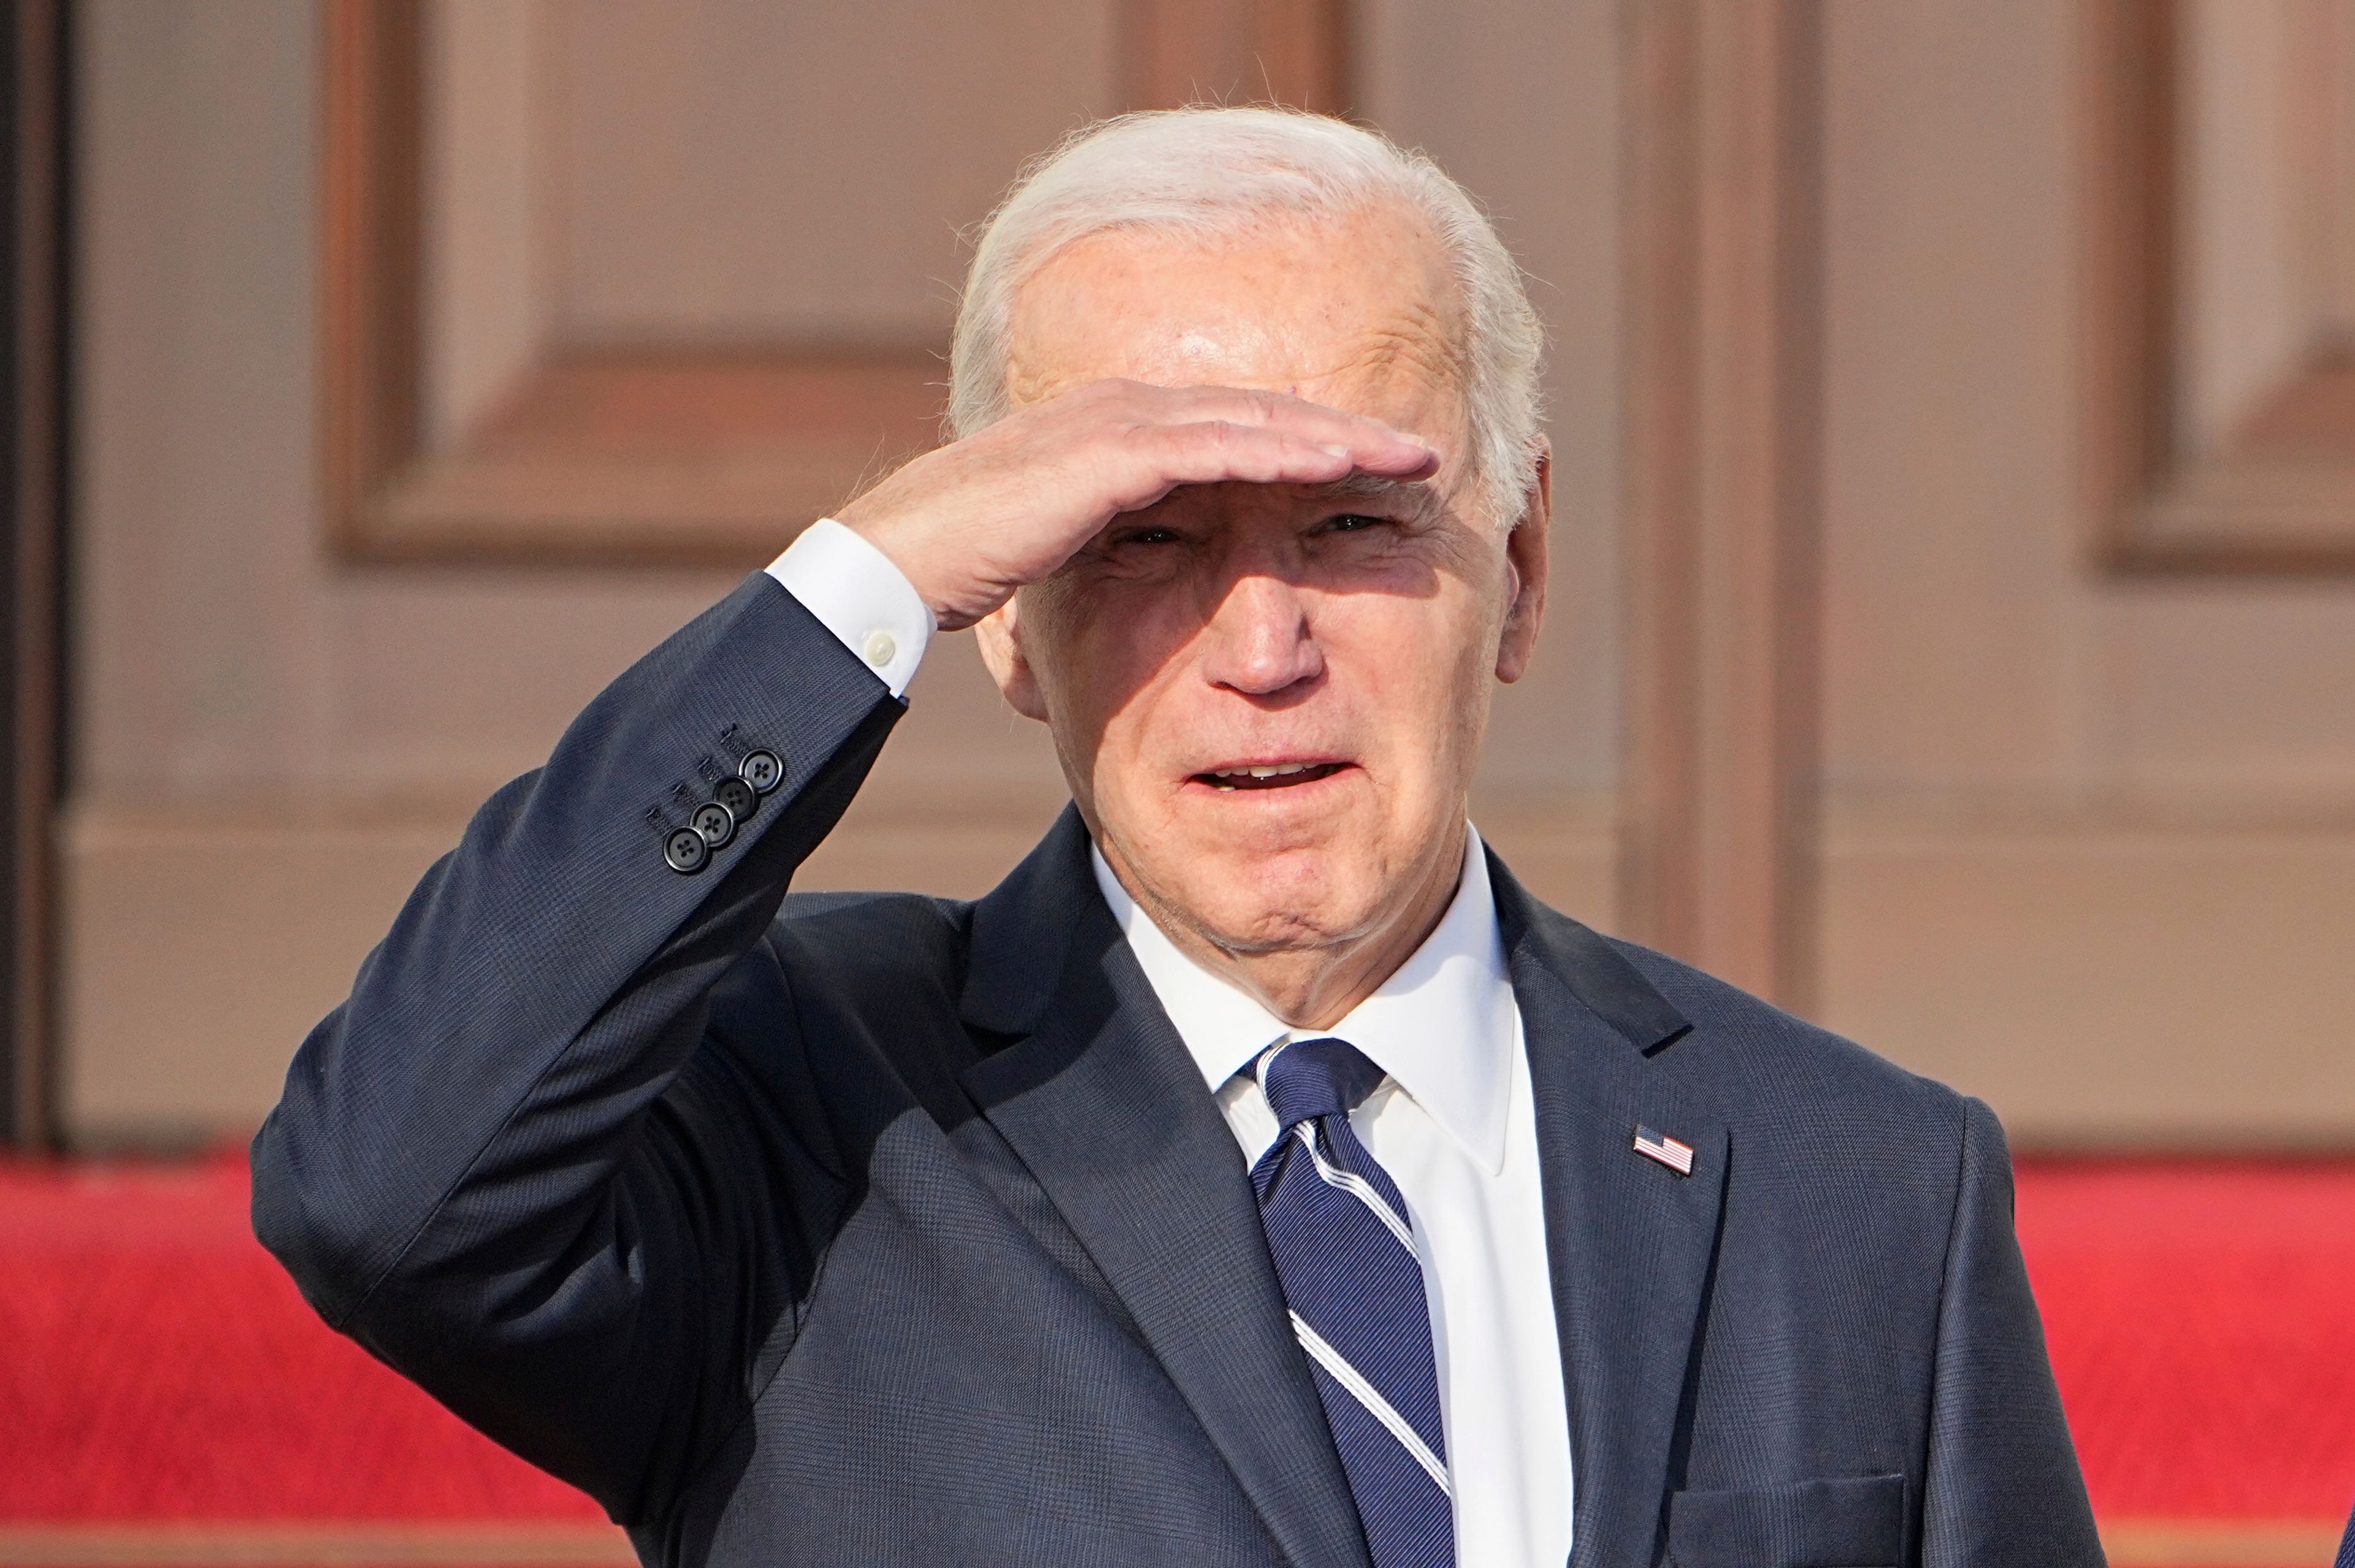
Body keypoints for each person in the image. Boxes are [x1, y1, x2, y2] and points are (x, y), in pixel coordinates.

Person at [252, 108, 2101, 1568]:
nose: (1264, 648)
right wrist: (864, 583)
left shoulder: (1865, 1186)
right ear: (1003, 611)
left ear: (1520, 570)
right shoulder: (798, 1120)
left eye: (1358, 526)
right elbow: (385, 1190)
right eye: (1140, 536)